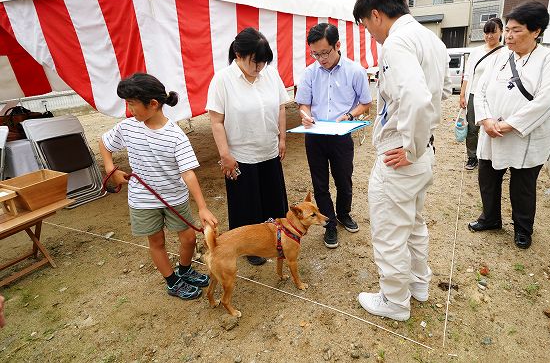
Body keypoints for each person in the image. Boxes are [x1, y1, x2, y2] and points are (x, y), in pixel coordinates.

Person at [352, 0, 449, 321]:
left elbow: (419, 100)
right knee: (414, 222)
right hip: (423, 152)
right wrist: (419, 147)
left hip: (403, 152)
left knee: (390, 229)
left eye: (366, 26)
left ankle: (394, 300)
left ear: (375, 15)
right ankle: (418, 284)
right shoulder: (430, 40)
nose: (369, 34)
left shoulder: (396, 43)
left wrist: (411, 148)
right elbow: (441, 93)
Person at [100, 73, 218, 300]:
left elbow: (188, 173)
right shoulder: (127, 128)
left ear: (153, 104)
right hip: (142, 200)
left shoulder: (175, 136)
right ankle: (172, 281)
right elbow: (104, 143)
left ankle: (185, 270)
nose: (129, 109)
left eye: (132, 104)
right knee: (156, 241)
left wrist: (202, 207)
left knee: (189, 238)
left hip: (175, 197)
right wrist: (110, 170)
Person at [468, 1, 550, 249]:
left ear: (536, 31)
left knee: (522, 184)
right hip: (492, 131)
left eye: (517, 30)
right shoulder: (500, 57)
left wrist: (510, 124)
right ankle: (490, 218)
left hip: (525, 135)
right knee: (488, 178)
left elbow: (549, 99)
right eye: (508, 29)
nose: (509, 36)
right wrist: (486, 119)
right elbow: (480, 90)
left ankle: (523, 228)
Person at [206, 27, 289, 266]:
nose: (259, 67)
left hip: (269, 149)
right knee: (247, 203)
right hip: (241, 155)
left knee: (273, 200)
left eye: (263, 62)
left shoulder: (270, 74)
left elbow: (281, 107)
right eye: (255, 62)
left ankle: (275, 240)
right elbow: (216, 120)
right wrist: (225, 155)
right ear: (239, 54)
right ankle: (250, 247)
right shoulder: (223, 79)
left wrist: (282, 138)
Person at [295, 23, 372, 248]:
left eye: (325, 53)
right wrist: (305, 116)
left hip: (341, 134)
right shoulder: (310, 73)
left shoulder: (355, 71)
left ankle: (344, 214)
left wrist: (349, 115)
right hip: (315, 136)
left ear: (337, 45)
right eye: (315, 54)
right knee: (320, 183)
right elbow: (304, 104)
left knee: (343, 179)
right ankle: (328, 223)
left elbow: (365, 103)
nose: (321, 58)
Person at [459, 18, 505, 170]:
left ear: (501, 32)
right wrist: (462, 95)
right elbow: (467, 74)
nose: (489, 36)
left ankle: (490, 158)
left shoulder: (506, 53)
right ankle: (472, 157)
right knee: (472, 129)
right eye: (487, 32)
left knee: (491, 128)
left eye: (493, 32)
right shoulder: (476, 52)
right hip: (473, 94)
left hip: (494, 98)